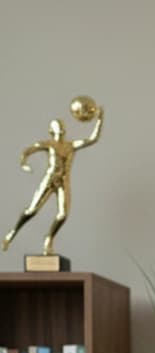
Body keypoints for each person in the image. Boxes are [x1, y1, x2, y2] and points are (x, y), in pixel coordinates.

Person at [2, 103, 104, 257]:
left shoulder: (71, 145)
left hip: (63, 182)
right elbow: (29, 150)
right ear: (52, 130)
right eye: (57, 125)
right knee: (32, 211)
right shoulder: (49, 144)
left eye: (62, 125)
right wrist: (24, 163)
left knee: (63, 215)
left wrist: (100, 120)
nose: (61, 128)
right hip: (49, 180)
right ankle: (12, 233)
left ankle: (49, 239)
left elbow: (92, 139)